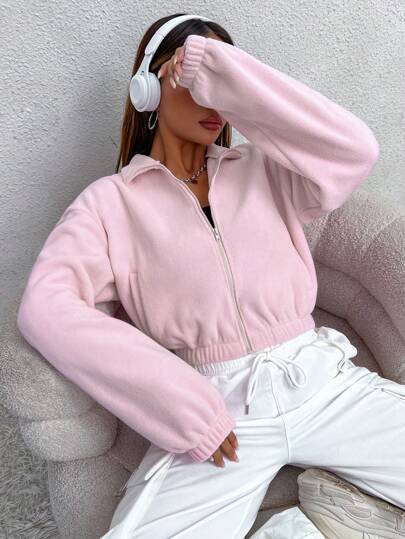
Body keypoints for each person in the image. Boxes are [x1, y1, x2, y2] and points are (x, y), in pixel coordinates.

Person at [16, 11, 405, 539]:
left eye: (221, 83)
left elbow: (355, 149)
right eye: (194, 81)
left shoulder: (266, 169)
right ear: (148, 89)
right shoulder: (109, 205)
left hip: (320, 381)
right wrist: (180, 404)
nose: (212, 101)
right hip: (219, 411)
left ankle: (347, 517)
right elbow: (46, 308)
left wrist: (224, 73)